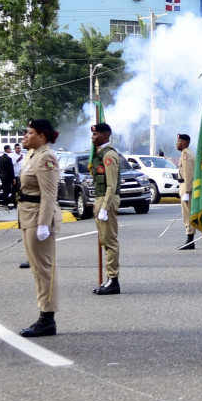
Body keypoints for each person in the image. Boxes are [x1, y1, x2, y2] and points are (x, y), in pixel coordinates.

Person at [16, 119, 63, 337]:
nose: (25, 136)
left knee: (44, 270)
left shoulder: (46, 157)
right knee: (36, 269)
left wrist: (44, 224)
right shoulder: (31, 155)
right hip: (28, 216)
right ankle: (44, 313)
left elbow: (49, 194)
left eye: (29, 132)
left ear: (42, 136)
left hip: (38, 218)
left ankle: (47, 318)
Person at [90, 122, 124, 295]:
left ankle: (113, 280)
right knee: (104, 241)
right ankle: (109, 278)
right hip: (101, 199)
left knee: (110, 241)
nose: (92, 138)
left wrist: (104, 207)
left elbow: (111, 184)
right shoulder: (100, 154)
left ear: (105, 135)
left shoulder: (109, 155)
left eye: (96, 134)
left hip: (107, 201)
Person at [176, 134, 196, 251]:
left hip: (186, 186)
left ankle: (190, 240)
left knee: (187, 215)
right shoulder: (188, 153)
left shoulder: (186, 155)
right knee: (187, 214)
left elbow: (189, 174)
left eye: (178, 141)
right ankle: (190, 239)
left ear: (184, 143)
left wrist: (187, 191)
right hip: (184, 185)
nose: (176, 143)